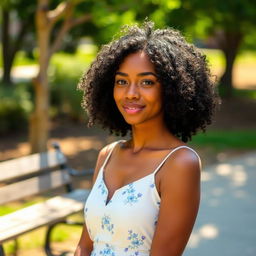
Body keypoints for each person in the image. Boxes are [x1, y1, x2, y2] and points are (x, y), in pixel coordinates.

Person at [74, 21, 219, 256]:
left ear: (173, 89)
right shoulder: (107, 155)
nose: (130, 93)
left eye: (147, 82)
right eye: (122, 81)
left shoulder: (180, 164)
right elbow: (85, 245)